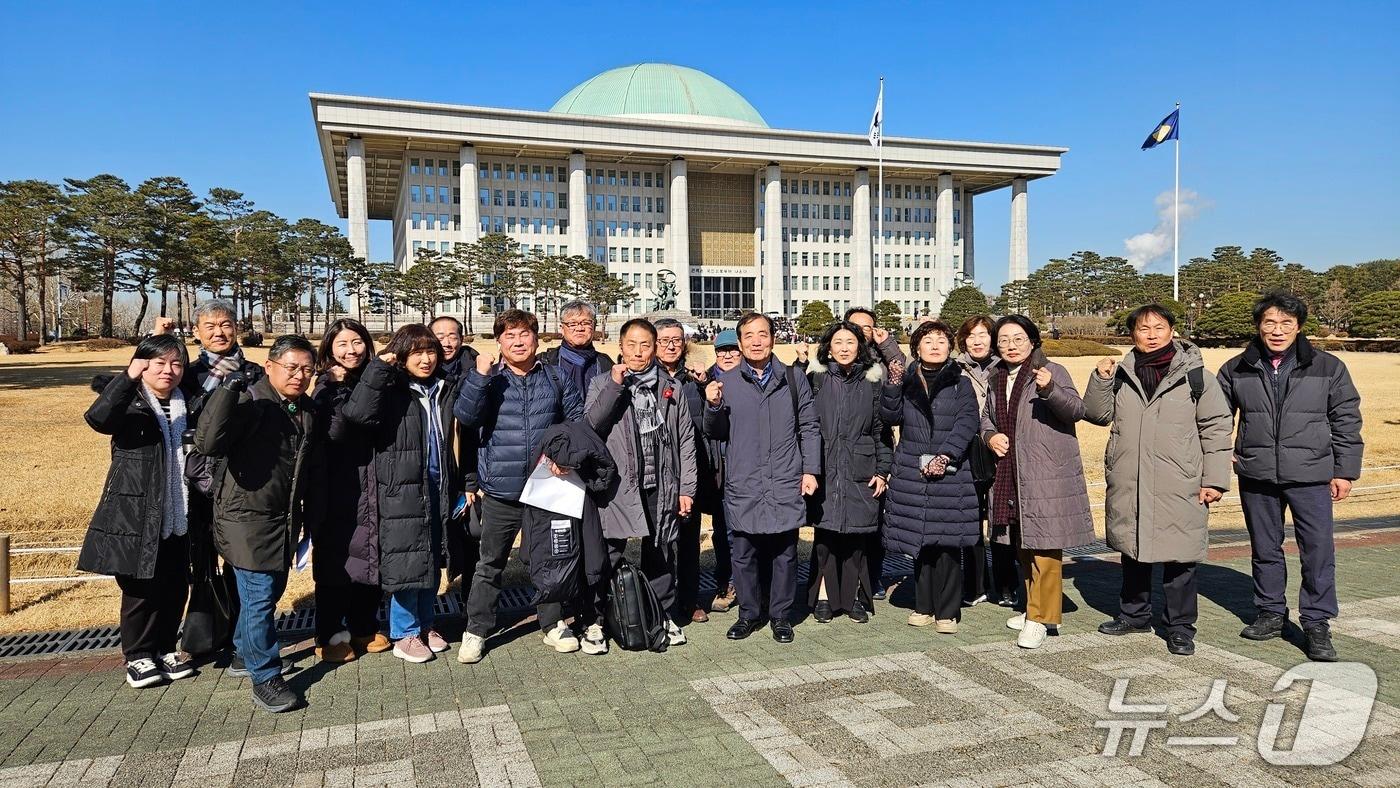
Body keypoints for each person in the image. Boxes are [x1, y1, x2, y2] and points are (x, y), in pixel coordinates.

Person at [1217, 291, 1363, 662]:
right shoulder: (1237, 368)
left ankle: (1316, 622)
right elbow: (1217, 421)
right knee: (1265, 548)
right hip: (1257, 473)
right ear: (1258, 326)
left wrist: (1344, 471)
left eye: (1286, 323)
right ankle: (1270, 612)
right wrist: (1222, 463)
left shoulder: (1328, 367)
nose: (1277, 330)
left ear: (1298, 327)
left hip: (1312, 474)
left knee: (1317, 550)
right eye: (1269, 322)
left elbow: (1345, 418)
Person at [1083, 305, 1234, 656]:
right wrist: (1100, 379)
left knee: (1180, 558)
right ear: (1132, 334)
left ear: (1172, 331)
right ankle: (1134, 615)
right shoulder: (1121, 374)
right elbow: (1096, 414)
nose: (1151, 334)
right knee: (1133, 551)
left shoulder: (1197, 377)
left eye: (1159, 327)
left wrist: (1214, 478)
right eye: (1143, 328)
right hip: (1130, 477)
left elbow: (1216, 428)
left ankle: (1179, 626)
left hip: (1179, 480)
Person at [195, 335, 322, 713]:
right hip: (243, 519)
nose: (300, 376)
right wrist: (228, 390)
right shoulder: (249, 401)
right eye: (292, 367)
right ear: (270, 367)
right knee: (259, 599)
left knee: (264, 594)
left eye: (308, 369)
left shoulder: (304, 409)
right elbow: (208, 441)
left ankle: (241, 653)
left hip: (280, 518)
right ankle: (265, 677)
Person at [454, 309, 585, 664]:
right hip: (501, 489)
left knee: (551, 560)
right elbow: (466, 417)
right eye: (509, 335)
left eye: (524, 334)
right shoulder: (488, 379)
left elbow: (575, 421)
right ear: (498, 342)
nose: (517, 341)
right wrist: (481, 375)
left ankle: (553, 623)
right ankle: (477, 630)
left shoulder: (556, 377)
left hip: (546, 487)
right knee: (490, 563)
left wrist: (565, 456)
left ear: (537, 338)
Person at [79, 334, 197, 688]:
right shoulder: (129, 402)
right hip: (136, 509)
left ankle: (164, 648)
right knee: (140, 588)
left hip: (180, 512)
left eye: (176, 364)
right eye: (158, 363)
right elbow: (98, 419)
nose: (168, 371)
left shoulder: (187, 402)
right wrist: (128, 377)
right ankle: (138, 656)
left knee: (175, 585)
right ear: (142, 365)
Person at [342, 324, 463, 663]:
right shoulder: (392, 388)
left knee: (429, 557)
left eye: (431, 352)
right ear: (402, 355)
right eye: (416, 352)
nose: (425, 359)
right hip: (401, 487)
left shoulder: (442, 387)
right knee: (406, 560)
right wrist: (381, 367)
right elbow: (357, 414)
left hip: (437, 484)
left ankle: (426, 623)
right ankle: (404, 632)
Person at [582, 319, 698, 653]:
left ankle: (661, 614)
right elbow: (592, 425)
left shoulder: (670, 387)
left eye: (645, 345)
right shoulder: (602, 382)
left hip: (660, 482)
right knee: (608, 552)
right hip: (617, 485)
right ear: (620, 346)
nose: (638, 352)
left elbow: (685, 440)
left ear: (656, 348)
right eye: (631, 344)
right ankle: (597, 620)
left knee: (661, 550)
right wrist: (616, 387)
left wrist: (686, 488)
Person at [704, 313, 821, 644]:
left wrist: (810, 470)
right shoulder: (727, 382)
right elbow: (715, 432)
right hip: (745, 481)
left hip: (784, 478)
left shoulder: (793, 379)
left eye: (763, 334)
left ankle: (781, 616)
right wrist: (712, 406)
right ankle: (748, 613)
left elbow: (809, 427)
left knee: (784, 553)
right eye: (749, 336)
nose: (756, 341)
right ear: (740, 342)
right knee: (744, 554)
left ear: (773, 338)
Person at [981, 315, 1094, 649]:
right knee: (1023, 545)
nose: (1010, 345)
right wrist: (989, 436)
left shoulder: (1052, 371)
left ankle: (1041, 618)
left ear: (1032, 340)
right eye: (1003, 340)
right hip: (1011, 472)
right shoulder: (996, 375)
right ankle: (1036, 608)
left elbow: (1076, 409)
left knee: (1044, 548)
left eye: (1018, 338)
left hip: (1044, 473)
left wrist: (1049, 390)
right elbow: (986, 415)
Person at [881, 321, 980, 633]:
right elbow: (890, 417)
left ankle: (947, 611)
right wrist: (893, 384)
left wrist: (945, 455)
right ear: (917, 348)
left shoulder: (959, 383)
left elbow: (967, 422)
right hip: (913, 469)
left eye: (941, 340)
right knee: (921, 542)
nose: (935, 345)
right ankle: (923, 604)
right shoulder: (907, 379)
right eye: (928, 340)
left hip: (950, 471)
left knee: (948, 545)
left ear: (950, 347)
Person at [310, 319, 390, 663]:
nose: (351, 351)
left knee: (371, 555)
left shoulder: (375, 379)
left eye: (357, 342)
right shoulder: (323, 386)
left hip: (374, 480)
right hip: (337, 484)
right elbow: (337, 432)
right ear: (328, 349)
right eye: (341, 344)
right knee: (335, 560)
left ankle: (363, 626)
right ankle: (328, 633)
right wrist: (337, 389)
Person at [804, 321, 892, 624]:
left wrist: (883, 469)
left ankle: (855, 596)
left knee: (857, 539)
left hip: (861, 467)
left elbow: (881, 430)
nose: (843, 348)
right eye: (837, 342)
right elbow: (806, 427)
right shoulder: (815, 379)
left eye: (850, 342)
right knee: (825, 536)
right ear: (828, 346)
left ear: (860, 347)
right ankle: (825, 597)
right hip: (824, 469)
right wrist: (808, 468)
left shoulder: (872, 382)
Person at [954, 315, 1019, 608]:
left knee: (1000, 518)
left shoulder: (1005, 367)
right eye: (971, 336)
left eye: (983, 335)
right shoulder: (954, 369)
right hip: (966, 451)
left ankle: (1006, 585)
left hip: (999, 451)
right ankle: (974, 585)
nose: (978, 341)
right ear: (963, 341)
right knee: (968, 518)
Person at [653, 318, 713, 624]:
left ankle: (689, 600)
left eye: (676, 340)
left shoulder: (693, 380)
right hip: (656, 472)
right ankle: (658, 603)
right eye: (664, 340)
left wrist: (703, 386)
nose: (671, 345)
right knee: (659, 543)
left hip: (690, 470)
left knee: (689, 542)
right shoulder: (646, 379)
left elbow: (706, 424)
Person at [843, 306, 906, 599]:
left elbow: (901, 370)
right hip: (841, 452)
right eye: (854, 326)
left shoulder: (882, 363)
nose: (860, 332)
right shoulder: (834, 359)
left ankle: (872, 577)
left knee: (875, 518)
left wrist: (888, 344)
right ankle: (842, 580)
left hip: (876, 446)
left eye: (867, 327)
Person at [705, 329, 743, 613]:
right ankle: (727, 583)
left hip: (749, 467)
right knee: (723, 532)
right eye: (722, 350)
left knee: (750, 532)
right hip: (719, 470)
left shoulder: (753, 378)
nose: (727, 355)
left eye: (732, 350)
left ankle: (751, 584)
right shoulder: (703, 380)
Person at [541, 301, 611, 396]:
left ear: (594, 327)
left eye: (586, 323)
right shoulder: (545, 362)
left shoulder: (606, 364)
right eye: (572, 324)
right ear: (562, 328)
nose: (579, 328)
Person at [431, 315, 479, 382]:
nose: (446, 344)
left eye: (452, 338)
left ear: (461, 340)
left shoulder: (477, 369)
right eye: (440, 338)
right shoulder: (420, 369)